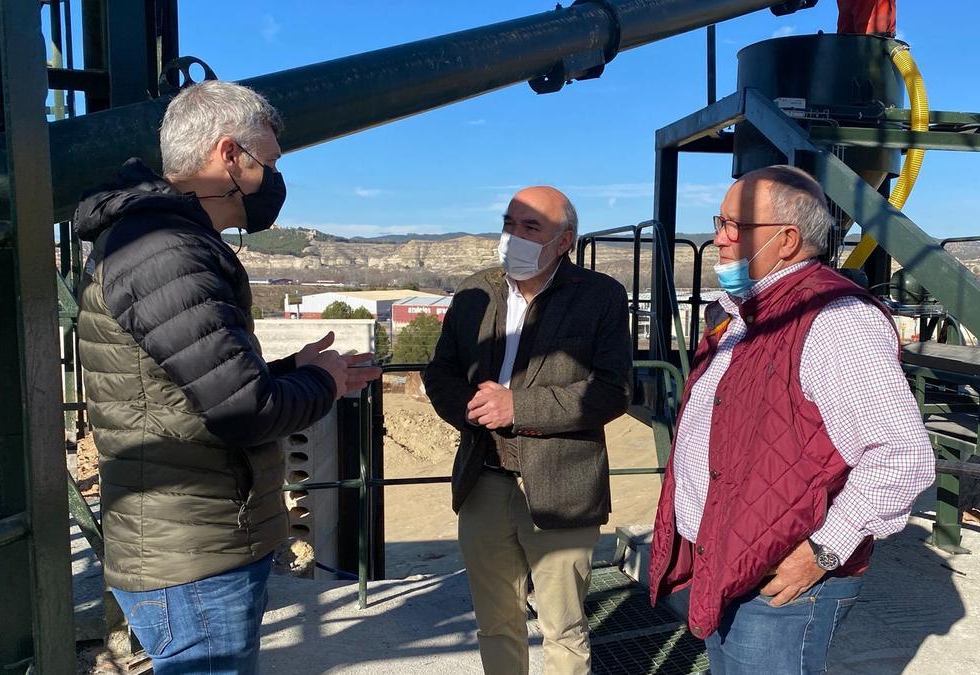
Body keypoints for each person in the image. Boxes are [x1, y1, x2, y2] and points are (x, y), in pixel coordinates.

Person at [75, 80, 380, 673]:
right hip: (193, 553)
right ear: (229, 155)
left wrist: (302, 371)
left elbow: (185, 385)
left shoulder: (162, 240)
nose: (273, 180)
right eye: (268, 163)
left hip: (200, 539)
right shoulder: (163, 248)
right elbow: (244, 410)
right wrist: (319, 385)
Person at [648, 165, 935, 674]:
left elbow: (902, 457)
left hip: (781, 583)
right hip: (731, 558)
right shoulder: (742, 314)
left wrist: (822, 551)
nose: (718, 238)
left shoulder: (836, 319)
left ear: (785, 240)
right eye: (720, 221)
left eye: (736, 225)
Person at [423, 186, 633, 674]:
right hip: (485, 480)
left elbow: (612, 391)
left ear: (564, 241)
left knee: (564, 628)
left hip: (561, 488)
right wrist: (474, 409)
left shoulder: (600, 296)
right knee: (496, 622)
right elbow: (441, 373)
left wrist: (518, 407)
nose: (513, 237)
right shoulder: (478, 291)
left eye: (530, 227)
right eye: (509, 224)